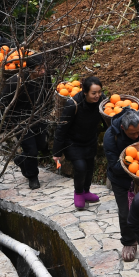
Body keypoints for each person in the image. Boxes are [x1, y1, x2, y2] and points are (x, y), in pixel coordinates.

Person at [103, 109, 139, 262]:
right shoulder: (111, 136)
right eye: (132, 134)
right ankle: (129, 242)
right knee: (125, 212)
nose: (136, 136)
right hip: (121, 179)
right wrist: (137, 167)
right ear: (123, 128)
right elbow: (115, 166)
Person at [52, 76, 106, 209]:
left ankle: (86, 191)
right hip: (73, 142)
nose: (97, 95)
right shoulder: (73, 104)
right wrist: (57, 152)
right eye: (94, 93)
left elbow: (106, 119)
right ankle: (79, 192)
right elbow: (62, 128)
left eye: (99, 92)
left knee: (90, 167)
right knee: (81, 167)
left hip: (90, 140)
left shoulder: (102, 101)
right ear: (85, 92)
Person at [2, 57, 51, 190]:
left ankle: (21, 159)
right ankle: (32, 176)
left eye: (44, 67)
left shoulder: (45, 77)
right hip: (21, 120)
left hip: (39, 117)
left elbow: (48, 93)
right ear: (29, 70)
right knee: (31, 150)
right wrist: (10, 122)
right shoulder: (15, 82)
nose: (43, 71)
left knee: (41, 145)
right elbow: (3, 101)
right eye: (39, 69)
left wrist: (47, 110)